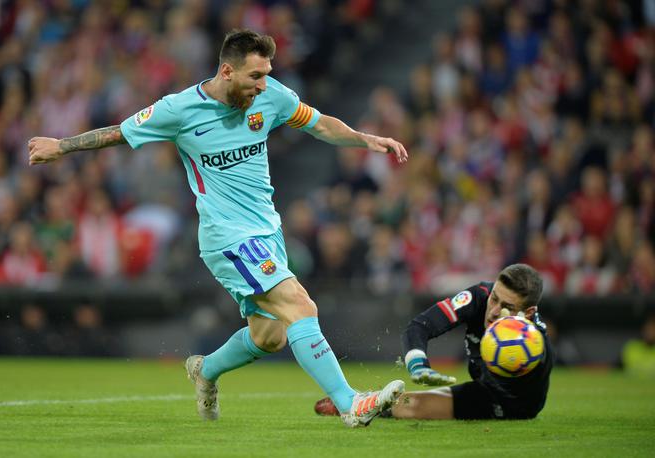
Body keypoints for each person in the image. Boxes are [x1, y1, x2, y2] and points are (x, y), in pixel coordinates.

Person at [28, 29, 408, 427]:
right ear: (227, 71)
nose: (263, 85)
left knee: (270, 337)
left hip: (267, 232)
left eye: (266, 74)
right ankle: (350, 404)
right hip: (227, 236)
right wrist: (62, 146)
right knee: (300, 305)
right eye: (255, 76)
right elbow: (119, 133)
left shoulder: (272, 96)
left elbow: (319, 124)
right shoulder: (178, 110)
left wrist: (367, 139)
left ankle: (206, 370)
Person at [315, 264, 553, 420]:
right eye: (495, 299)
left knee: (414, 407)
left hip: (517, 404)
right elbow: (420, 326)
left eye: (507, 307)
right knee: (410, 405)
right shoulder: (479, 297)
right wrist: (418, 363)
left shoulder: (534, 342)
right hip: (484, 388)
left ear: (529, 313)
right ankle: (360, 402)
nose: (494, 311)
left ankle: (360, 403)